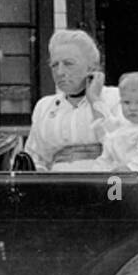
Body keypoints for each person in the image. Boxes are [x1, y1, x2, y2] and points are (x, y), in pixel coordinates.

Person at [24, 29, 122, 171]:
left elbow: (121, 147)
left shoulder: (114, 98)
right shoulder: (44, 106)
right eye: (54, 65)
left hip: (106, 183)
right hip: (58, 185)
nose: (60, 72)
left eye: (68, 63)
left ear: (91, 66)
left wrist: (95, 100)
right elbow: (34, 157)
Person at [90, 72, 138, 172]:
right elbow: (108, 151)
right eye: (126, 102)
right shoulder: (122, 126)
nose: (132, 108)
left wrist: (130, 168)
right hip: (121, 176)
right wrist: (98, 170)